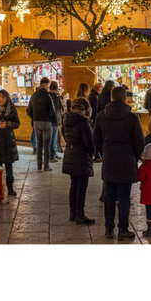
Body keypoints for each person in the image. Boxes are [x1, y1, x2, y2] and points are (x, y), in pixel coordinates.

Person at [93, 83, 144, 240]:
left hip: (109, 159)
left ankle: (108, 228)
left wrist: (104, 153)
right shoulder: (131, 118)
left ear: (111, 97)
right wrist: (133, 157)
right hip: (127, 160)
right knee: (124, 196)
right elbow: (139, 142)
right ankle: (123, 228)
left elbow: (96, 139)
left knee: (109, 195)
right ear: (125, 98)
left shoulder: (102, 115)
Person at [62, 83, 95, 224]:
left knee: (74, 185)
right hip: (81, 157)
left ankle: (72, 213)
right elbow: (89, 143)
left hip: (69, 154)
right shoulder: (83, 122)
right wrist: (92, 151)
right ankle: (80, 214)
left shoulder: (66, 120)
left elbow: (65, 135)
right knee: (82, 186)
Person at [27, 77, 54, 171]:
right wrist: (52, 119)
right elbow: (52, 111)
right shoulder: (48, 96)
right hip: (46, 122)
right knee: (46, 144)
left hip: (36, 122)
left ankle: (39, 165)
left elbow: (28, 110)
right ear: (45, 85)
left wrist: (34, 118)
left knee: (38, 144)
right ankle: (46, 165)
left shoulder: (34, 95)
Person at [27, 76, 50, 156]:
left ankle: (38, 149)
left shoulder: (47, 96)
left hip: (42, 119)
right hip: (38, 119)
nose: (45, 88)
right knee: (36, 134)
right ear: (41, 85)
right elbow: (29, 109)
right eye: (44, 86)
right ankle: (36, 148)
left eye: (47, 87)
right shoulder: (36, 95)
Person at [48, 80, 65, 162]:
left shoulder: (51, 96)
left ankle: (53, 154)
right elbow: (59, 107)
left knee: (53, 138)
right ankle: (52, 155)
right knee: (53, 138)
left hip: (53, 120)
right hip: (55, 120)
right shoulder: (55, 97)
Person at [89, 82, 103, 162]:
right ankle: (96, 154)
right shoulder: (94, 97)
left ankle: (96, 154)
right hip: (94, 119)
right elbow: (95, 109)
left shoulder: (93, 96)